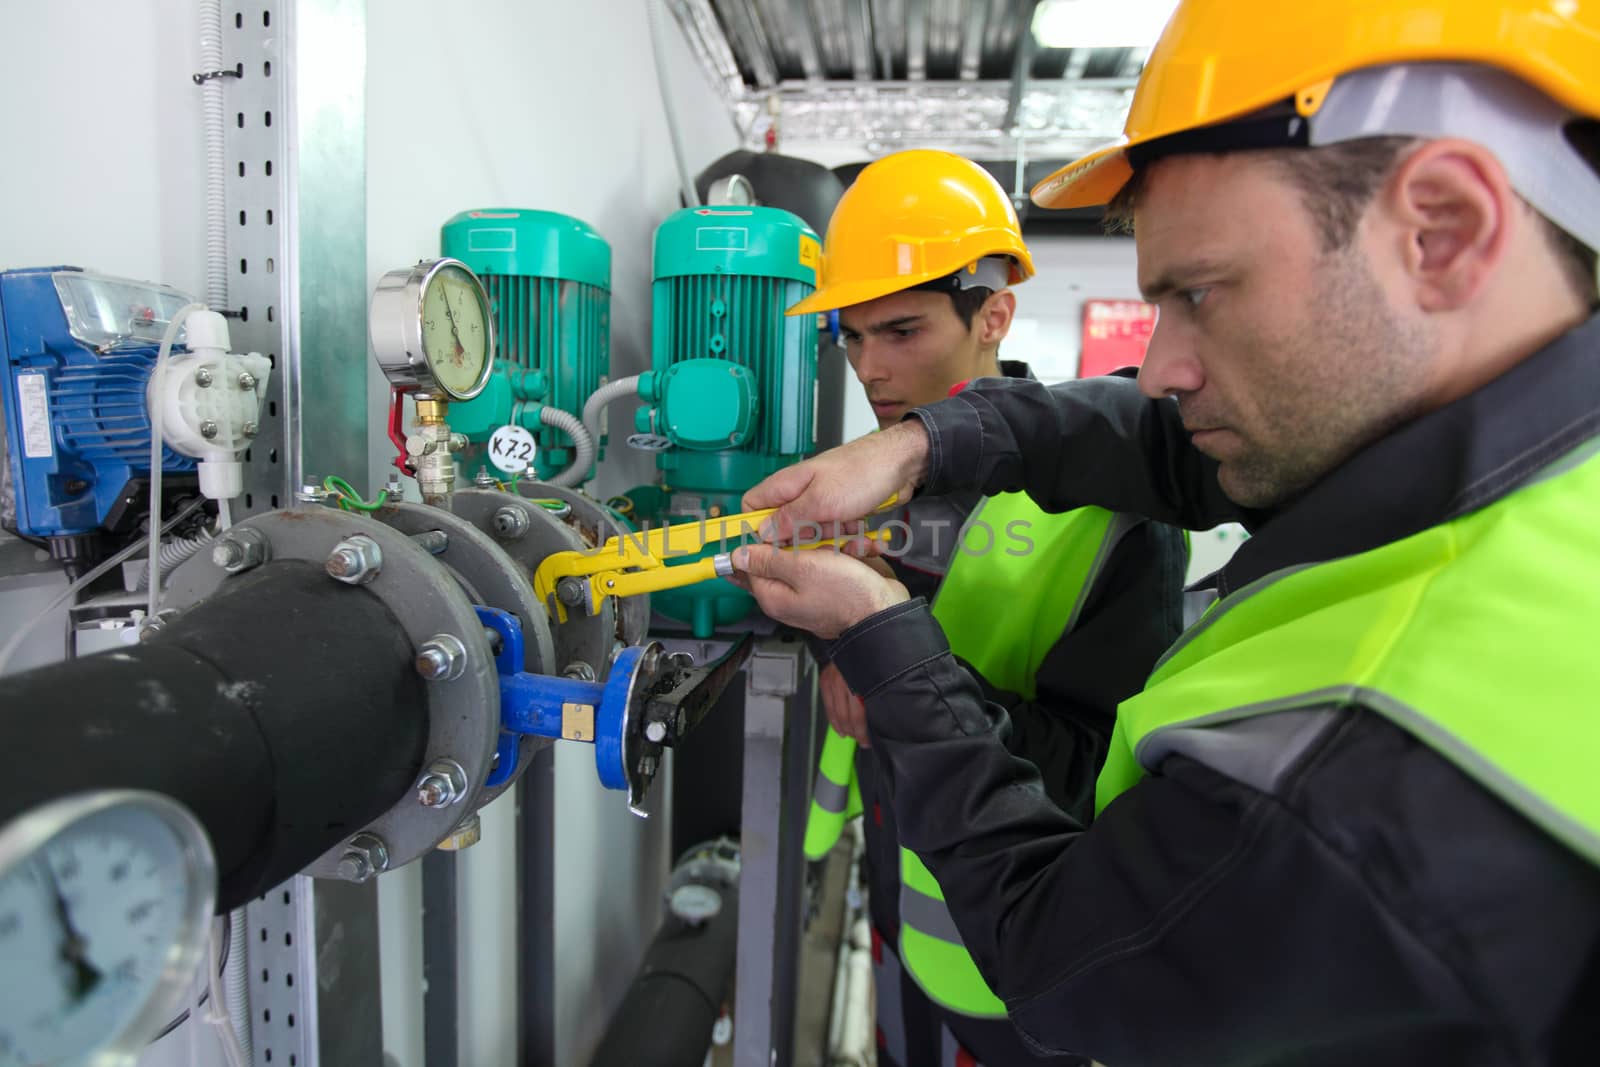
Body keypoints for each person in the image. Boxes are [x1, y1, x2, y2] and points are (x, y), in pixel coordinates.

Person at [730, 2, 1600, 1063]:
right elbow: (1142, 440)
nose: (1159, 368)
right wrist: (923, 447)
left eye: (1199, 292)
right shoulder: (1462, 477)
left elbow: (1062, 949)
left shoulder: (1367, 768)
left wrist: (890, 646)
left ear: (1443, 230)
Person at [791, 149, 1187, 1067]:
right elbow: (844, 624)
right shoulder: (873, 469)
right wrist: (832, 646)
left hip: (1016, 983)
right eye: (851, 338)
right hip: (898, 908)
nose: (871, 370)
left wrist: (893, 668)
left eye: (900, 331)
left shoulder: (1112, 517)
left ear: (993, 314)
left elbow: (1100, 772)